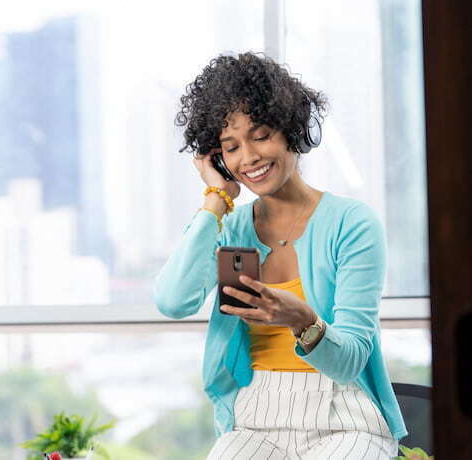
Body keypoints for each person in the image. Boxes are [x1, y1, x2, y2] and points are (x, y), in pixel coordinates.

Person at [153, 51, 408, 459]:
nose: (248, 157)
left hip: (345, 414)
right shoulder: (231, 228)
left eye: (260, 135)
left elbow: (349, 362)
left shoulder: (352, 224)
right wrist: (216, 200)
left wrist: (301, 318)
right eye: (230, 147)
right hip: (257, 416)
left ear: (290, 130)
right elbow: (173, 300)